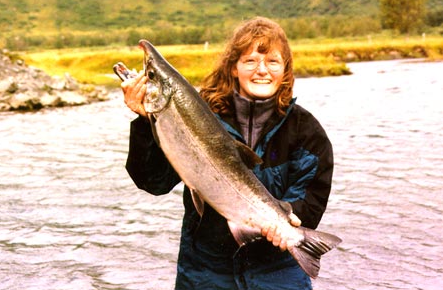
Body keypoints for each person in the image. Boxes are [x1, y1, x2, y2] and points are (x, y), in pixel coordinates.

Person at [121, 17, 334, 290]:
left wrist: (288, 222)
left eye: (272, 62)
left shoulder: (307, 131)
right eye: (250, 61)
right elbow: (153, 182)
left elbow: (313, 196)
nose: (262, 71)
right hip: (205, 275)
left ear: (285, 70)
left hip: (278, 276)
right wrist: (144, 121)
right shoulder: (197, 117)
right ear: (233, 68)